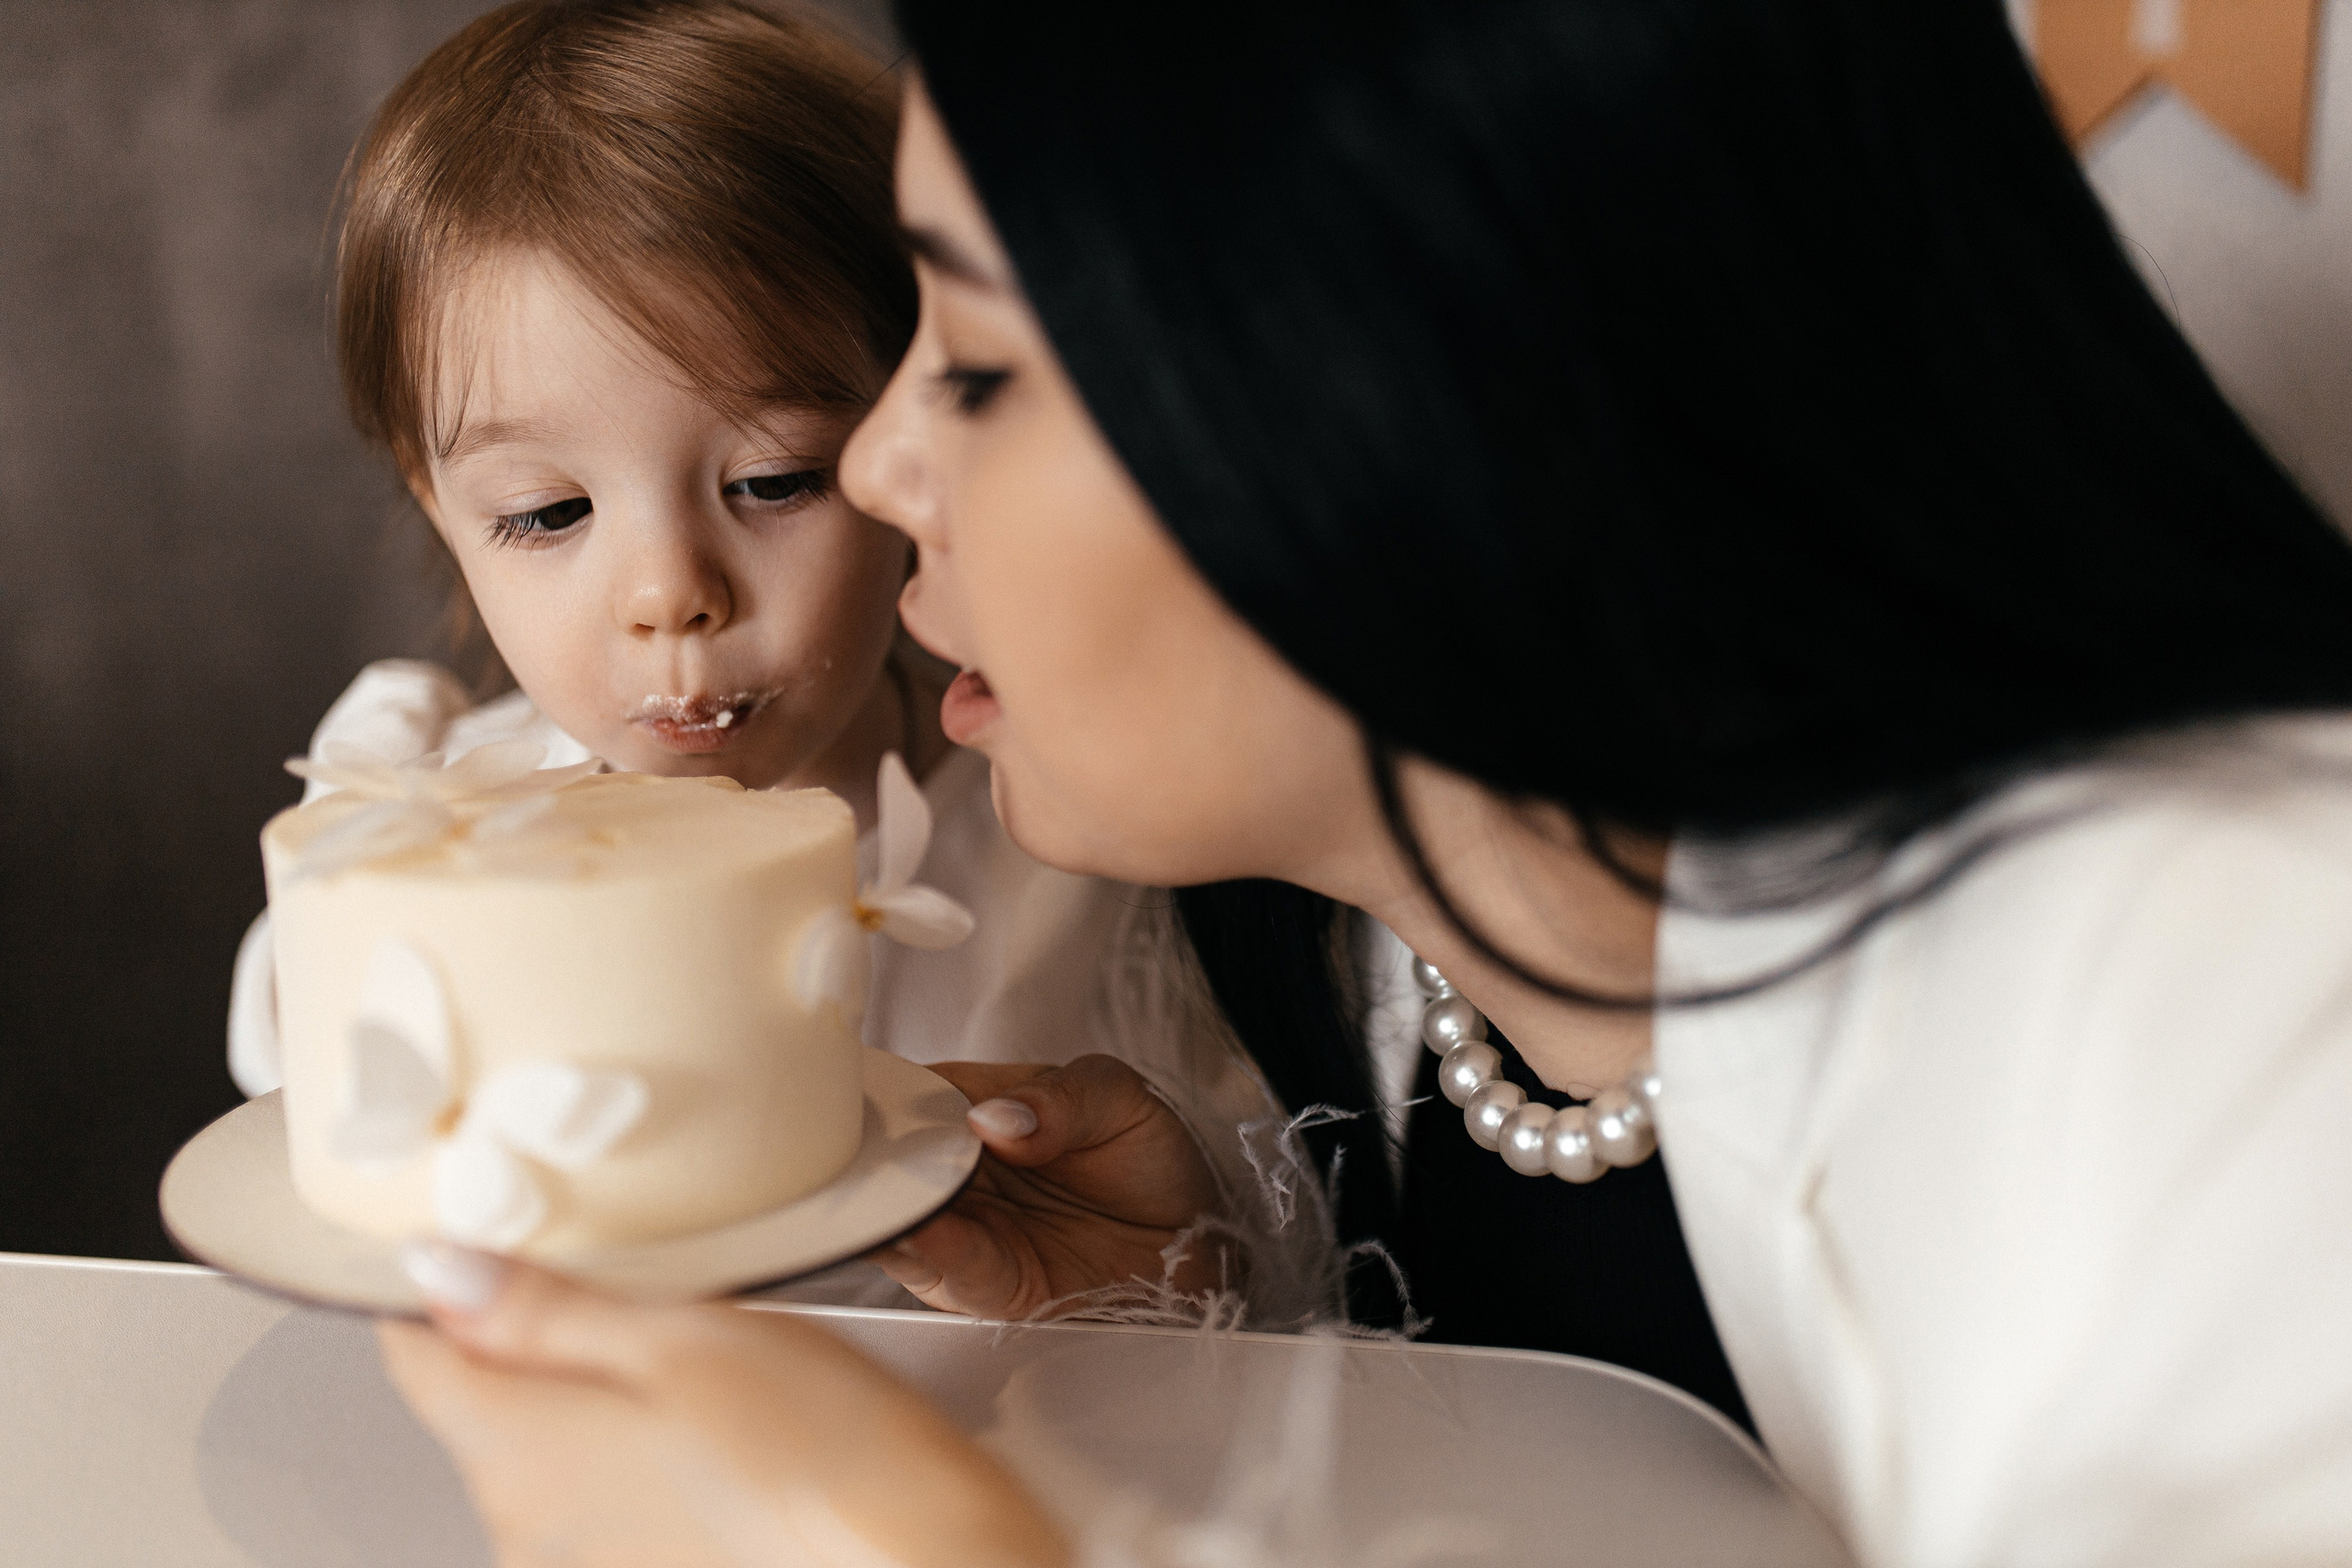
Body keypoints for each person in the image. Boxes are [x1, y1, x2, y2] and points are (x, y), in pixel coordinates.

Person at [380, 2, 2352, 1564]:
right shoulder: (1320, 958)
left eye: (971, 363)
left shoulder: (2228, 995)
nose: (886, 475)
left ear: (1405, 414)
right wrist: (1179, 1330)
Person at [229, 0, 1292, 1314]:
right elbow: (297, 1065)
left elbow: (1250, 1241)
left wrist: (1198, 1259)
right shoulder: (438, 823)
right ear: (441, 506)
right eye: (549, 514)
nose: (672, 594)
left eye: (778, 481)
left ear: (914, 434)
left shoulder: (1066, 851)